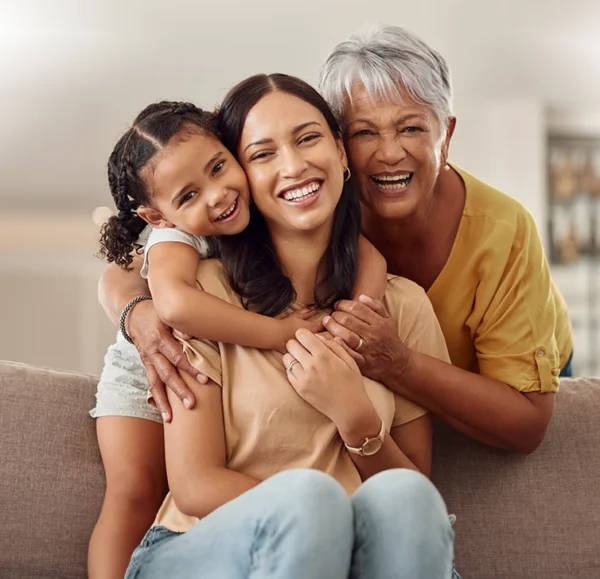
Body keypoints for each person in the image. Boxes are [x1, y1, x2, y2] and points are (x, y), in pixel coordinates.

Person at [123, 72, 456, 578]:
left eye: (308, 138)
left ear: (342, 153)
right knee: (307, 497)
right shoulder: (202, 295)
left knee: (408, 497)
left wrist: (355, 416)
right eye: (262, 154)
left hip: (349, 557)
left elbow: (410, 505)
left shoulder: (401, 306)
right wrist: (322, 521)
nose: (294, 165)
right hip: (204, 547)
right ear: (244, 176)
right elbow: (193, 485)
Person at [88, 100, 386, 577]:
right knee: (133, 489)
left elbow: (364, 252)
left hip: (201, 337)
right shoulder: (173, 241)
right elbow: (176, 307)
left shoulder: (270, 211)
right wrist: (279, 333)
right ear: (157, 215)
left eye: (219, 167)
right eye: (188, 196)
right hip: (152, 353)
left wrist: (358, 318)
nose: (216, 195)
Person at [312, 24, 573, 455]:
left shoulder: (504, 229)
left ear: (446, 135)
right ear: (338, 146)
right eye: (364, 132)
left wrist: (397, 365)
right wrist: (155, 303)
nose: (390, 152)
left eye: (411, 128)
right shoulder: (317, 211)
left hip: (535, 363)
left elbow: (526, 423)